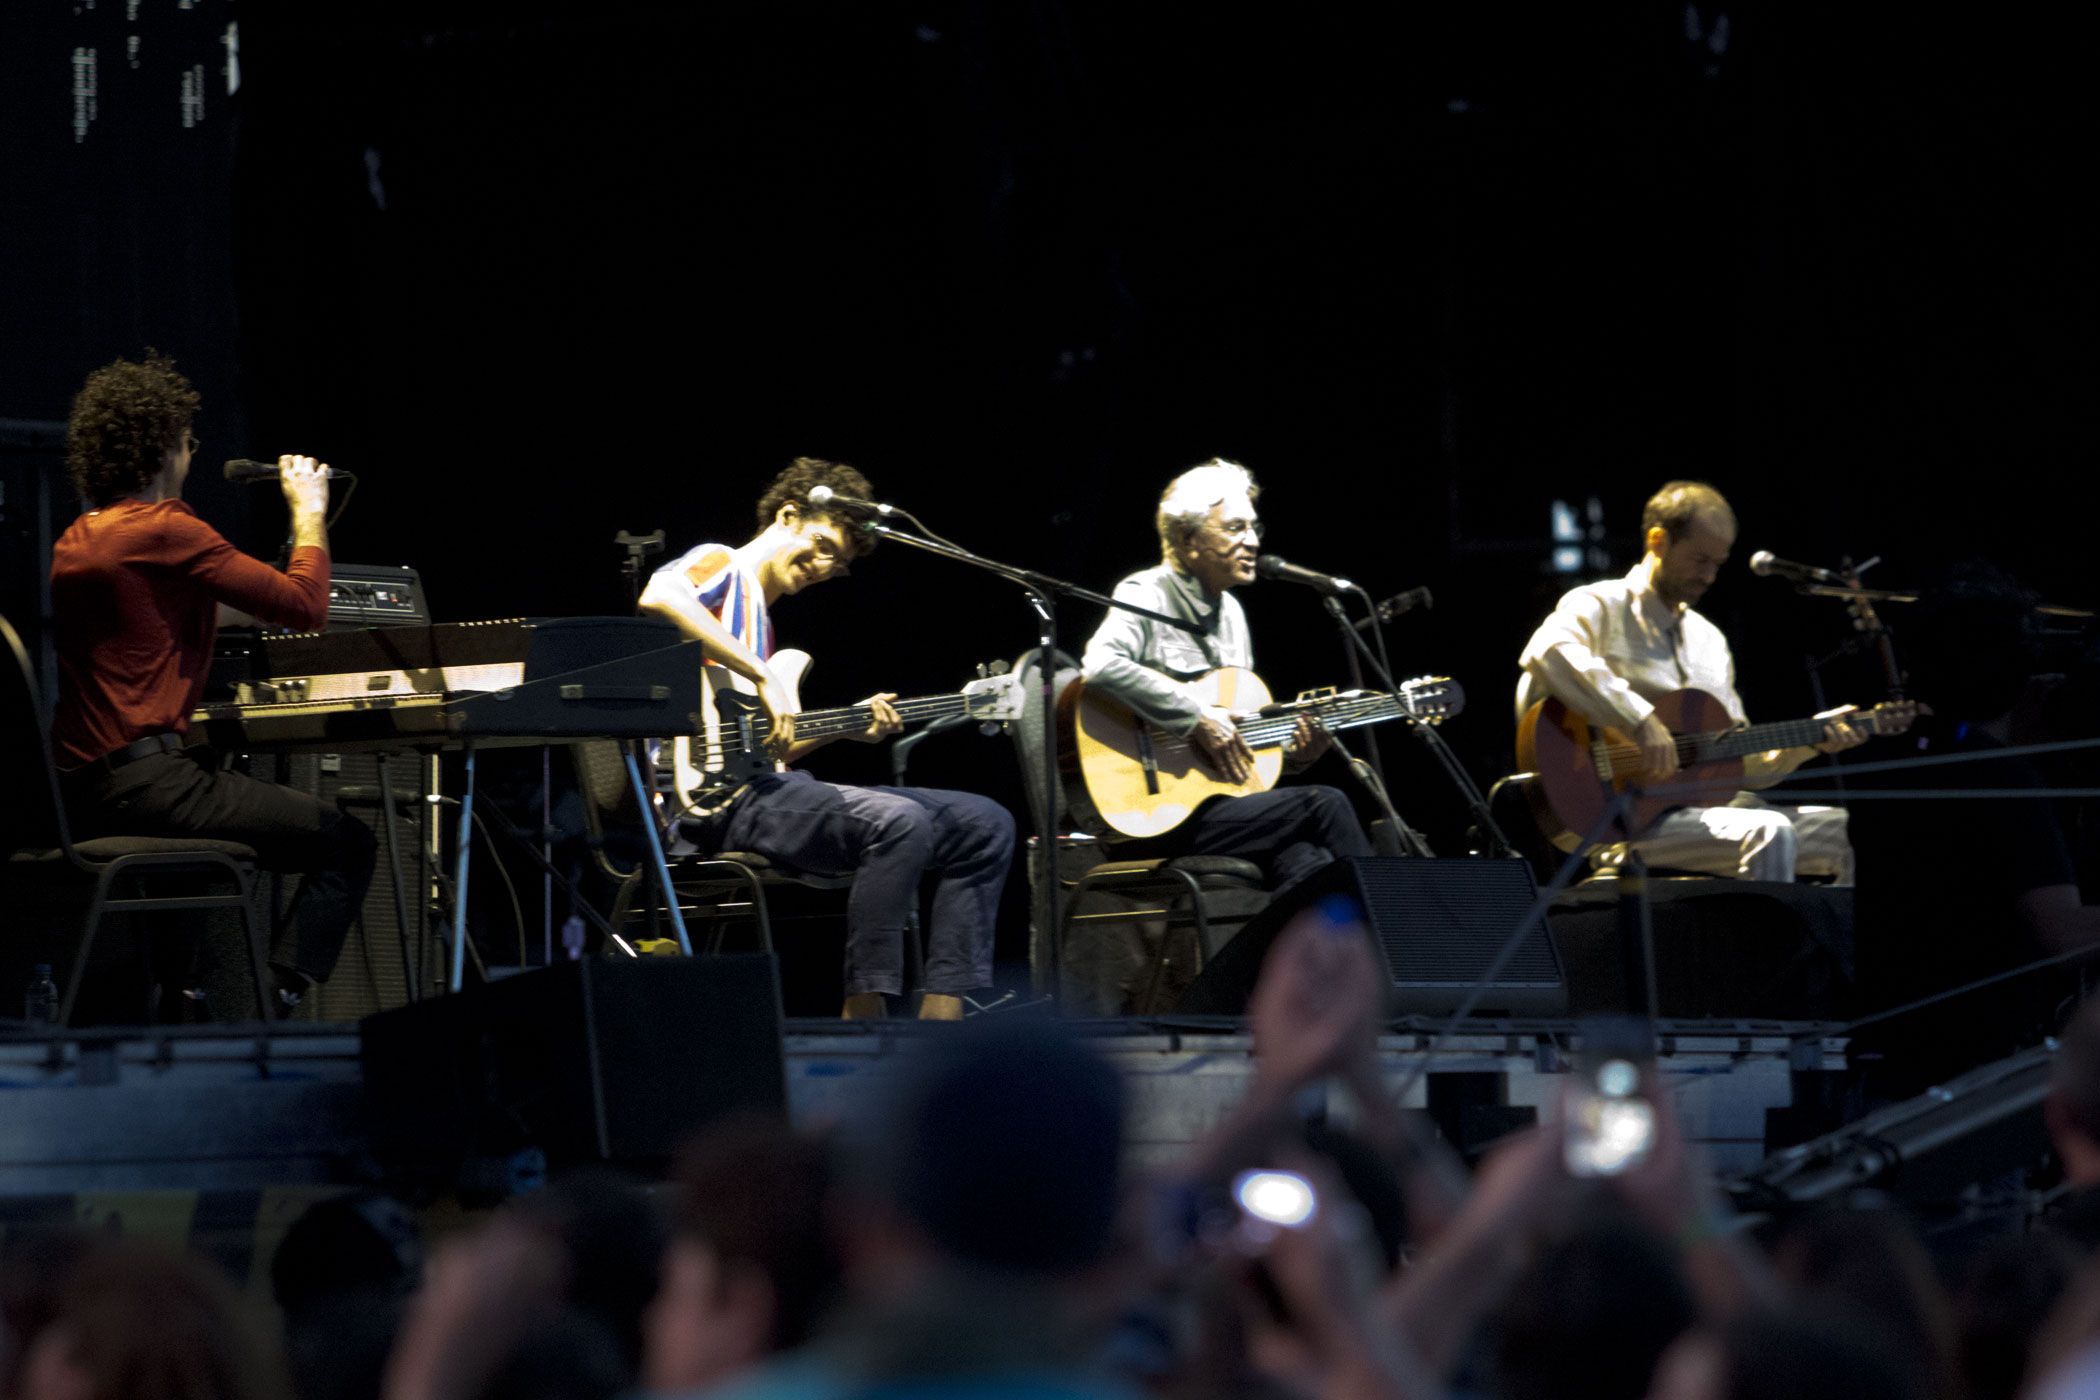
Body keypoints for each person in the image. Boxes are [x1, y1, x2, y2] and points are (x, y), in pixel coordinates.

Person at [48, 351, 375, 1016]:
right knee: (347, 842)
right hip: (153, 786)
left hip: (85, 791)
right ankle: (278, 995)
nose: (190, 455)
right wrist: (309, 510)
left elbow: (200, 609)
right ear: (164, 445)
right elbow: (306, 606)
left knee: (202, 803)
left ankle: (180, 996)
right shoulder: (167, 528)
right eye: (188, 442)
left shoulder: (80, 539)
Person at [638, 457, 1015, 1020]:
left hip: (767, 790)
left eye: (836, 562)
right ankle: (864, 1012)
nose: (823, 565)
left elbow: (774, 749)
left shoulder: (764, 625)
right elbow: (659, 594)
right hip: (714, 803)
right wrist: (761, 673)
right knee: (898, 821)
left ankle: (942, 1016)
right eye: (820, 545)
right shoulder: (724, 566)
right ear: (789, 516)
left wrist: (849, 726)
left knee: (985, 823)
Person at [1516, 480, 1866, 882]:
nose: (1709, 577)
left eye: (1718, 563)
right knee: (1769, 830)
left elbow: (1740, 764)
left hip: (1705, 811)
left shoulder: (1709, 641)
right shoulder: (1600, 605)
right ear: (1658, 540)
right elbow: (1547, 649)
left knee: (1845, 833)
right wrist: (1639, 720)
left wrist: (1809, 741)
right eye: (1700, 560)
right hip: (1625, 818)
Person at [1077, 458, 1373, 889]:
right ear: (1187, 538)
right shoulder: (1146, 592)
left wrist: (1293, 758)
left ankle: (1312, 955)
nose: (1252, 541)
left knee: (1308, 865)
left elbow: (1234, 741)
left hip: (1215, 808)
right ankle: (1393, 938)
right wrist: (1195, 715)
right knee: (1323, 806)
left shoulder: (1232, 612)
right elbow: (1101, 664)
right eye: (1235, 528)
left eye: (1254, 528)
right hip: (1148, 814)